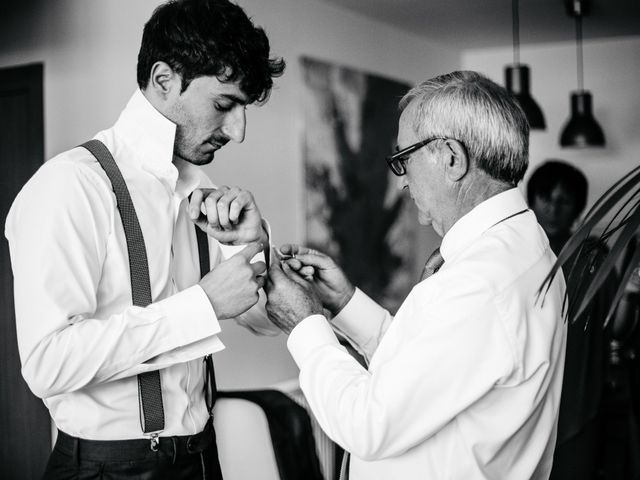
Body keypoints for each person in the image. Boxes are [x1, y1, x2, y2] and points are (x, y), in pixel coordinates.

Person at [4, 0, 284, 478]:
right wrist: (201, 307)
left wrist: (248, 246)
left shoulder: (205, 194)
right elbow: (47, 364)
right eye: (224, 104)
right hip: (106, 469)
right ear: (163, 80)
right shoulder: (70, 185)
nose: (237, 132)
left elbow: (266, 321)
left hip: (202, 458)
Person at [264, 71, 567, 479]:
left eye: (403, 159)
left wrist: (304, 324)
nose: (402, 180)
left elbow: (368, 423)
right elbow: (429, 371)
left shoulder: (478, 281)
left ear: (451, 158)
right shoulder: (522, 250)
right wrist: (344, 303)